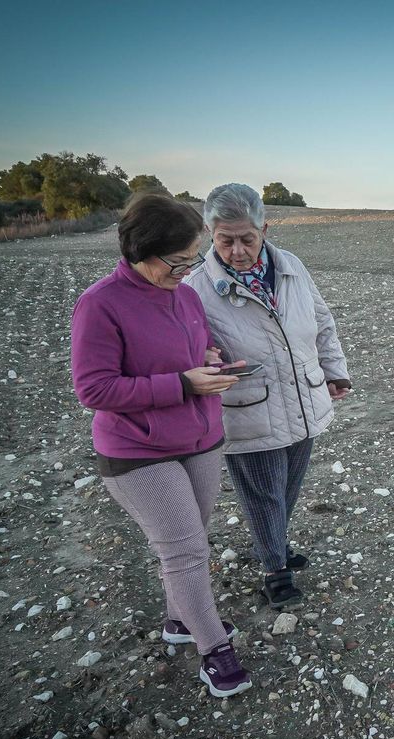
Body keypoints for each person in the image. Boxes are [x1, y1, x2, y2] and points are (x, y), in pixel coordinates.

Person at [70, 192, 252, 698]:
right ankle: (215, 652)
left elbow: (194, 350)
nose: (187, 270)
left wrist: (210, 361)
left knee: (191, 539)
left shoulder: (186, 295)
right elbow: (94, 389)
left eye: (193, 259)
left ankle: (179, 621)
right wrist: (183, 384)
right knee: (186, 551)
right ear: (139, 252)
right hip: (138, 452)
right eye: (177, 262)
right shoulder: (100, 304)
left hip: (202, 439)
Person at [184, 184, 352, 606]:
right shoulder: (195, 287)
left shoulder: (291, 266)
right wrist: (203, 356)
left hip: (304, 397)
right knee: (262, 493)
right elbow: (183, 349)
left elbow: (321, 320)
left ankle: (274, 543)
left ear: (265, 229)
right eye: (225, 240)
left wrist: (334, 371)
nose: (237, 250)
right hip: (247, 407)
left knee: (288, 486)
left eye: (247, 238)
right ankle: (275, 570)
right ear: (209, 233)